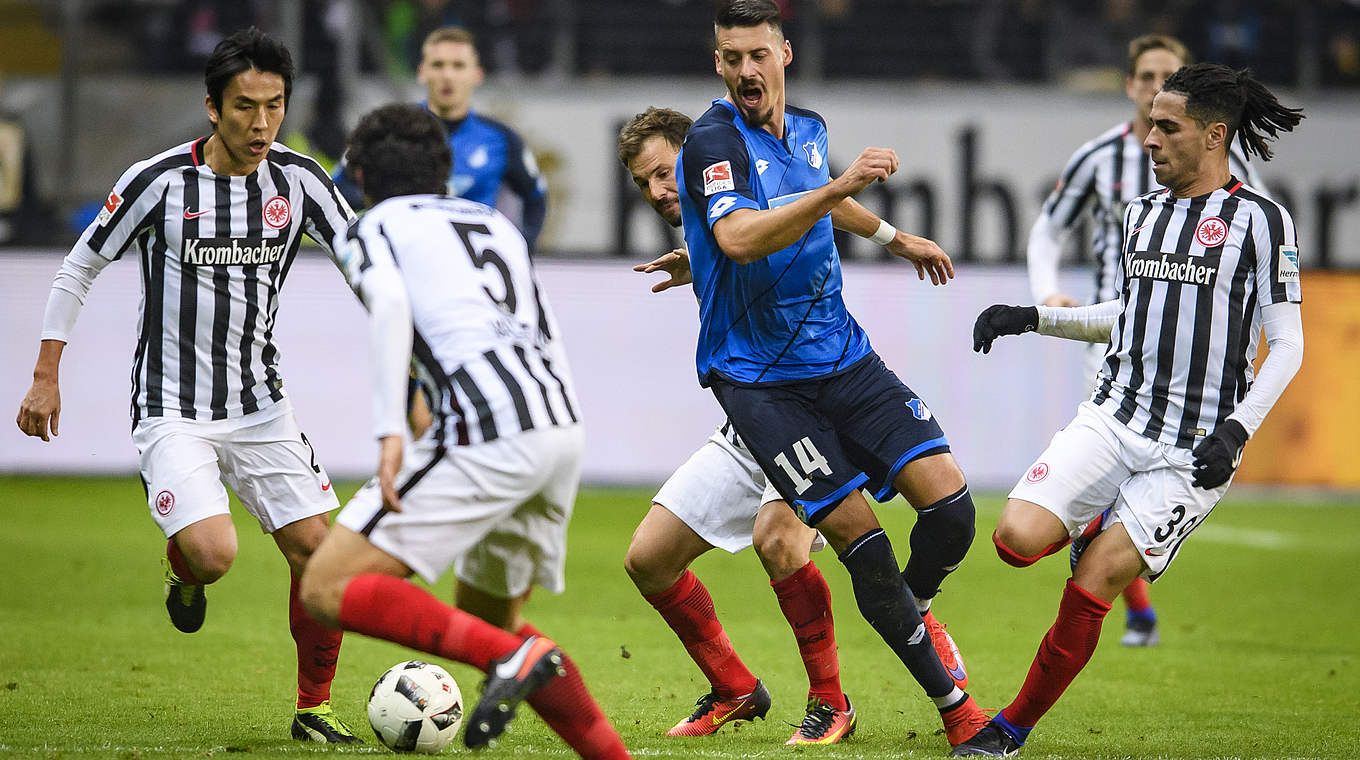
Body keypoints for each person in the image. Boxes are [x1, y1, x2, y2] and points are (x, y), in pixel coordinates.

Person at [14, 28, 360, 743]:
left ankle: (314, 711)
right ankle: (186, 571)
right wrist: (46, 373)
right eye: (245, 107)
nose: (262, 123)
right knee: (214, 553)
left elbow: (367, 267)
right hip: (172, 406)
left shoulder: (299, 182)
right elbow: (79, 267)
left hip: (261, 406)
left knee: (320, 557)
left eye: (275, 105)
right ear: (212, 106)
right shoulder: (158, 180)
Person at [956, 63, 1305, 757]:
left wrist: (1237, 431)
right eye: (1149, 123)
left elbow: (1289, 344)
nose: (1148, 139)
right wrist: (1034, 317)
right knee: (1013, 542)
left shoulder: (1263, 222)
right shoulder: (1141, 215)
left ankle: (1011, 727)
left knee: (1095, 583)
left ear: (1214, 135)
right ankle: (1096, 519)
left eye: (1165, 127)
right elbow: (1131, 314)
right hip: (1114, 417)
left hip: (1193, 451)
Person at [676, 1, 991, 748]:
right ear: (718, 64)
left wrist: (894, 235)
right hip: (759, 383)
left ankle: (911, 608)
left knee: (952, 517)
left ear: (784, 53)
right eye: (731, 58)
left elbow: (823, 196)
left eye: (757, 54)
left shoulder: (810, 130)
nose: (746, 71)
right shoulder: (713, 142)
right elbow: (739, 235)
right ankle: (961, 717)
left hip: (844, 357)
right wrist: (838, 187)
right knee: (862, 539)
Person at [621, 106, 967, 745]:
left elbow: (803, 210)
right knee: (647, 560)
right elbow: (776, 223)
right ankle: (735, 689)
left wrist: (896, 238)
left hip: (816, 399)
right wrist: (697, 261)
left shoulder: (737, 166)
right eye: (645, 185)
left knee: (778, 541)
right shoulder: (705, 216)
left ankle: (832, 700)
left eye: (665, 174)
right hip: (752, 411)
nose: (658, 192)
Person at [297, 103, 630, 760]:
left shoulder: (372, 226)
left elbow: (390, 306)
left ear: (359, 175)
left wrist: (392, 430)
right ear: (443, 170)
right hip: (558, 426)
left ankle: (519, 655)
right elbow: (543, 323)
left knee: (325, 587)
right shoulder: (495, 223)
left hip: (485, 431)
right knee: (486, 623)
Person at [1028, 34, 1267, 648]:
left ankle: (1118, 583)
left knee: (1122, 509)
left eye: (1168, 75)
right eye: (1145, 76)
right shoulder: (1101, 159)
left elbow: (1266, 283)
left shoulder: (1242, 190)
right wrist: (1045, 296)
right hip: (1115, 342)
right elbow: (1047, 230)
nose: (1153, 88)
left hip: (1192, 381)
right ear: (1132, 85)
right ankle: (1123, 592)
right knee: (1088, 486)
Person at [331, 26, 547, 251]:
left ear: (477, 74)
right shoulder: (388, 126)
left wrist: (524, 248)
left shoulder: (501, 138)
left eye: (458, 66)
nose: (447, 75)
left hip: (472, 264)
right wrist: (382, 203)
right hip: (404, 255)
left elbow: (535, 197)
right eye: (438, 65)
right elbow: (337, 188)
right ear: (422, 71)